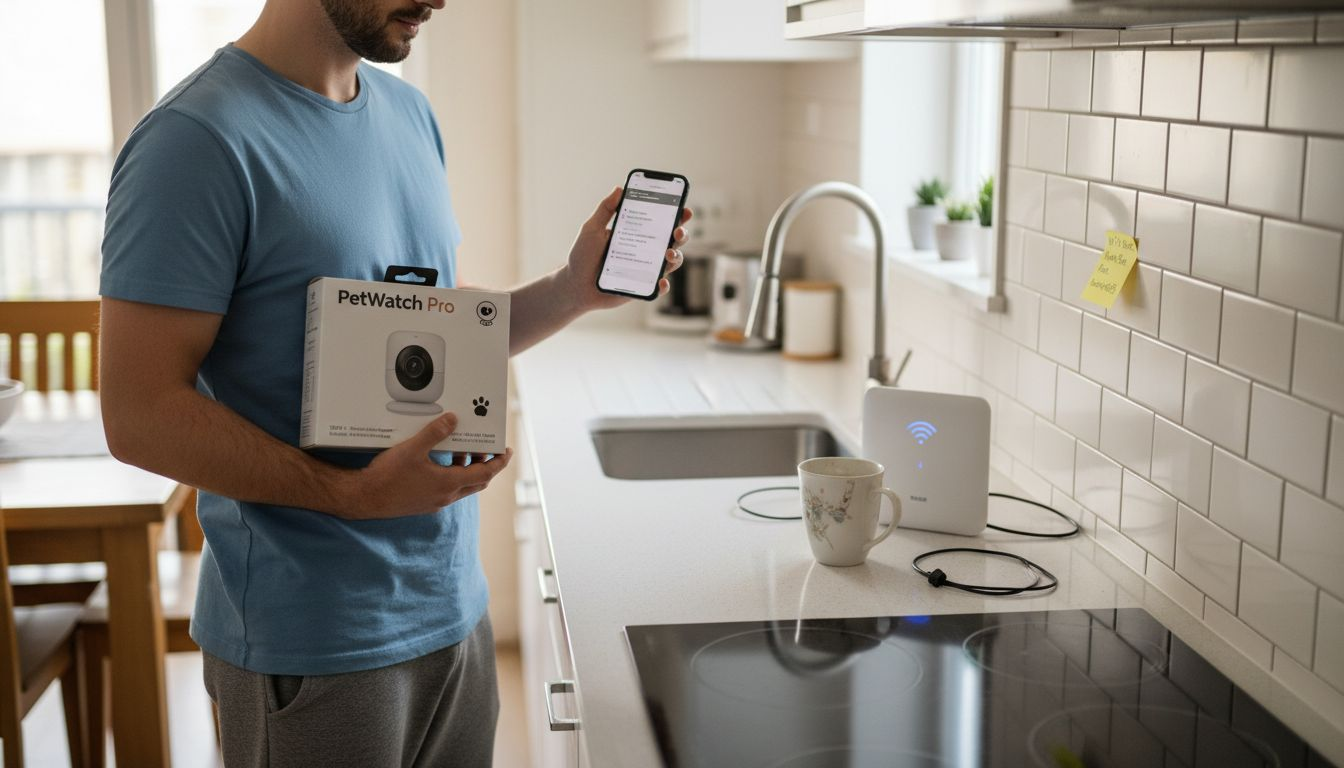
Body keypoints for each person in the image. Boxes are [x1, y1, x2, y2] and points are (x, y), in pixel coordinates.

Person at [97, 0, 689, 764]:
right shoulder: (194, 141)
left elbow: (438, 340)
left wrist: (571, 289)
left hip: (453, 611)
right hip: (311, 641)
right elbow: (138, 414)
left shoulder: (409, 115)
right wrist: (349, 494)